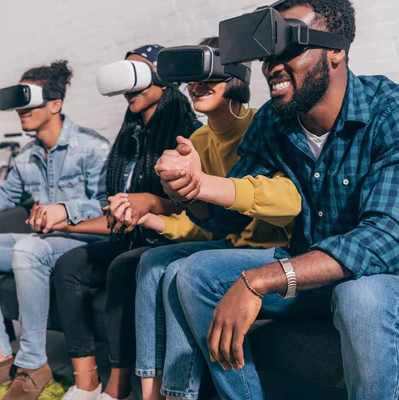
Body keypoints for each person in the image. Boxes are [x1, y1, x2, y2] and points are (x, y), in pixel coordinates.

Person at [156, 1, 399, 399]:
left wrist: (260, 280)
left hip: (397, 277)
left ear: (337, 50)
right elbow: (229, 223)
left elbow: (389, 238)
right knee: (194, 272)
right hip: (309, 269)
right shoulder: (273, 121)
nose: (272, 66)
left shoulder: (395, 110)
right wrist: (193, 188)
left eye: (289, 48)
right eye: (268, 54)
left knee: (359, 296)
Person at [127, 37, 300, 400]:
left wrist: (200, 187)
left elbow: (286, 202)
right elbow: (210, 222)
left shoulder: (264, 125)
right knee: (151, 261)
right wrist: (181, 192)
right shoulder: (196, 139)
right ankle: (150, 393)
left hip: (275, 248)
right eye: (192, 79)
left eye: (209, 76)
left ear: (235, 77)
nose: (197, 86)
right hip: (227, 242)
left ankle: (179, 395)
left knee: (179, 272)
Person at [0, 60, 111, 400]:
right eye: (19, 102)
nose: (22, 110)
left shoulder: (93, 148)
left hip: (82, 241)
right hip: (44, 241)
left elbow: (111, 206)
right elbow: (4, 195)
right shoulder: (25, 158)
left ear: (55, 104)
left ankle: (34, 364)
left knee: (27, 249)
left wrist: (65, 210)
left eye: (30, 100)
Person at [49, 45, 201, 400]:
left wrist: (149, 206)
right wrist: (66, 223)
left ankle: (118, 384)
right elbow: (113, 208)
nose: (129, 86)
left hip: (165, 238)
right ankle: (87, 381)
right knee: (69, 264)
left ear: (163, 81)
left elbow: (195, 207)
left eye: (139, 73)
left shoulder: (189, 132)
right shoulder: (127, 140)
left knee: (122, 268)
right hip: (129, 236)